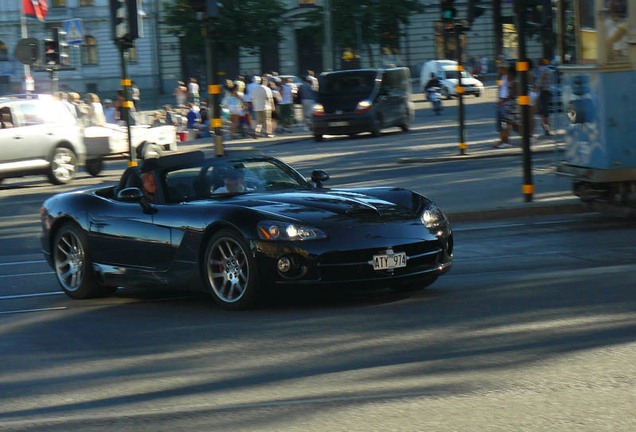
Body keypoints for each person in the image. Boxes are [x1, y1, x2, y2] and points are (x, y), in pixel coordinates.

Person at [535, 59, 553, 136]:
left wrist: (537, 88)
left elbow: (541, 82)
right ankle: (546, 128)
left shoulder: (544, 71)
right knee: (544, 111)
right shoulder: (548, 70)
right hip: (547, 91)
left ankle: (547, 129)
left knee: (544, 112)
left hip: (544, 92)